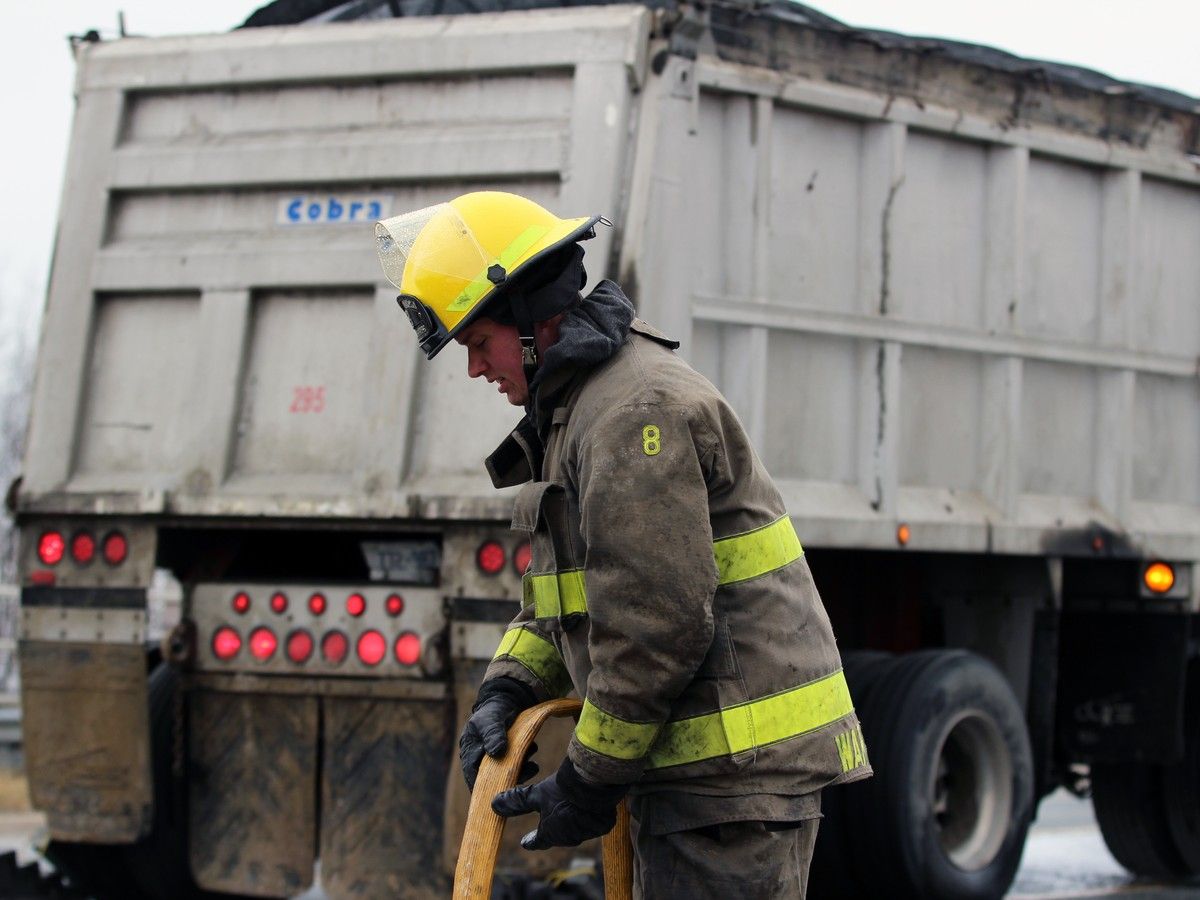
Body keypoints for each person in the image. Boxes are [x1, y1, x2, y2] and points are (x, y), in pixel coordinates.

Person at [376, 191, 871, 898]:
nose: (475, 370)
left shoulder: (631, 413)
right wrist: (508, 688)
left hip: (730, 789)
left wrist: (586, 780)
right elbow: (564, 600)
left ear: (524, 319)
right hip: (701, 785)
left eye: (477, 344)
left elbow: (654, 627)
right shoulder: (577, 410)